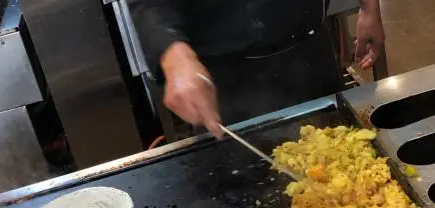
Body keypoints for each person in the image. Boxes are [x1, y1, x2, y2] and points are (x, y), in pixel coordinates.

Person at [131, 0, 385, 138]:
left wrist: (370, 8)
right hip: (227, 77)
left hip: (310, 52)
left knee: (345, 162)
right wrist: (175, 57)